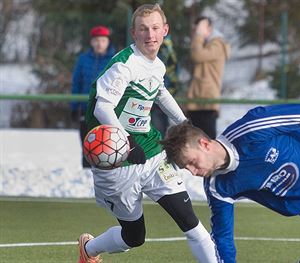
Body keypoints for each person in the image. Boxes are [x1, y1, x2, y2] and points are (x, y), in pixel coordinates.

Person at [160, 104, 300, 263]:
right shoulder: (218, 186)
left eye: (191, 162)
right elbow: (223, 238)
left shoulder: (252, 128)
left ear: (204, 144)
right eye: (186, 168)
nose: (192, 171)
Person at [78, 4, 217, 263]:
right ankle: (89, 250)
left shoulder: (157, 65)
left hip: (152, 152)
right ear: (134, 33)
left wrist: (184, 122)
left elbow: (160, 92)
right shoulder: (123, 66)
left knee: (190, 221)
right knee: (134, 236)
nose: (150, 34)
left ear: (165, 30)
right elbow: (102, 107)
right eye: (143, 29)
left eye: (155, 28)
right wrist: (128, 144)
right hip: (118, 162)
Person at [71, 25, 116, 167]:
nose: (99, 43)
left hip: (108, 108)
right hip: (86, 108)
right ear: (91, 42)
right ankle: (85, 171)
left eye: (102, 40)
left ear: (108, 42)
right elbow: (76, 83)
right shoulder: (83, 59)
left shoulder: (115, 60)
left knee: (107, 143)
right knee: (86, 141)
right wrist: (74, 106)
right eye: (96, 40)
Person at [186, 16, 231, 139]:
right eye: (195, 30)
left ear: (209, 29)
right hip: (197, 100)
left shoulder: (217, 44)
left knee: (206, 140)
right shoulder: (203, 44)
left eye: (199, 29)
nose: (196, 34)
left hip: (206, 100)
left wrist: (199, 35)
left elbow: (197, 55)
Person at [151, 34, 180, 136]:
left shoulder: (165, 51)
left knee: (159, 133)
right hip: (152, 98)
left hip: (158, 98)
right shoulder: (168, 51)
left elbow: (173, 76)